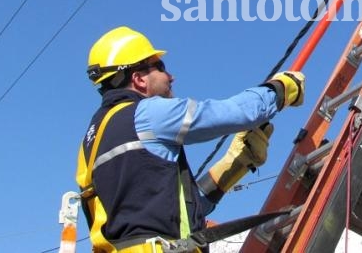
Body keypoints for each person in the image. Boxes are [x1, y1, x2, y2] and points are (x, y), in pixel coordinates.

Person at [76, 26, 305, 253]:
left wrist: (234, 164)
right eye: (160, 67)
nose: (170, 76)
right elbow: (234, 113)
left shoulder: (91, 143)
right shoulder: (148, 114)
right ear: (138, 79)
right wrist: (282, 89)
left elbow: (172, 212)